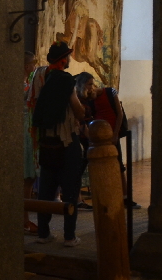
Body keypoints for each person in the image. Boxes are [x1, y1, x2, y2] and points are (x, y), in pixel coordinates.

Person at [29, 42, 87, 246]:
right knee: (70, 189)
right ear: (63, 60)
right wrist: (83, 111)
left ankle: (43, 234)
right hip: (66, 141)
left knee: (46, 190)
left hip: (46, 141)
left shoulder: (39, 76)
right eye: (68, 56)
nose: (69, 59)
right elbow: (78, 110)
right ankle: (69, 237)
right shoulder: (65, 79)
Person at [75, 71, 138, 208]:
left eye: (92, 84)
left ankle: (125, 197)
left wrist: (115, 134)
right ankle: (84, 198)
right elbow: (86, 118)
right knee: (87, 165)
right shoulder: (86, 98)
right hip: (96, 135)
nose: (92, 87)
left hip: (110, 133)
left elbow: (119, 114)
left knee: (119, 165)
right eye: (89, 85)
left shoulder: (110, 92)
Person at [23, 51, 39, 234]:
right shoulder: (24, 86)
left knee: (29, 178)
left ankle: (24, 218)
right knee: (26, 179)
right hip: (25, 132)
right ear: (27, 66)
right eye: (33, 64)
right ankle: (24, 220)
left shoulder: (27, 84)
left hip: (28, 131)